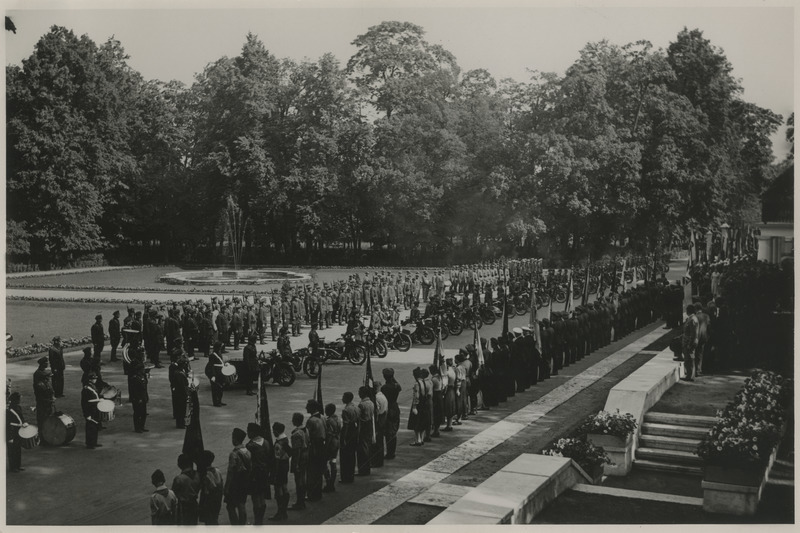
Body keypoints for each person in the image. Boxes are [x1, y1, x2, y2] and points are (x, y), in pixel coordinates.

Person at [224, 427, 251, 525]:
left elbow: (231, 472)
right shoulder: (247, 451)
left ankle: (235, 525)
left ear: (235, 439)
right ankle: (243, 524)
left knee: (230, 506)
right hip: (244, 480)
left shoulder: (234, 454)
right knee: (241, 504)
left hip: (235, 482)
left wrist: (227, 487)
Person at [246, 423, 271, 524]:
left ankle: (257, 521)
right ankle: (260, 520)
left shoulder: (250, 446)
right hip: (264, 473)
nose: (247, 433)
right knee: (261, 496)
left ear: (252, 432)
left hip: (255, 475)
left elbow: (248, 463)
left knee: (255, 498)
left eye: (248, 431)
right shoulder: (266, 442)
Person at [304, 400, 327, 502]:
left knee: (312, 471)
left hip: (314, 446)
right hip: (321, 445)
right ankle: (318, 492)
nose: (306, 408)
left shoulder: (311, 420)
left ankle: (312, 494)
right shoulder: (322, 417)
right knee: (318, 470)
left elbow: (307, 437)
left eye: (308, 406)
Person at [270, 422, 291, 521]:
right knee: (284, 487)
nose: (273, 432)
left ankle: (280, 511)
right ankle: (284, 511)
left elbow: (277, 459)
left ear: (277, 431)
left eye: (273, 430)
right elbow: (290, 452)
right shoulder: (285, 439)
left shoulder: (278, 443)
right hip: (285, 464)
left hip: (279, 466)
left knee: (278, 490)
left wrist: (274, 473)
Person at [173, 453, 201, 525]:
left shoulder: (179, 479)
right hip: (194, 504)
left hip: (184, 507)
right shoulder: (197, 474)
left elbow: (174, 493)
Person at [198, 450, 224, 525]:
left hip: (208, 500)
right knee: (214, 518)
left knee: (209, 520)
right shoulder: (217, 471)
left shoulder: (205, 474)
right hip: (217, 499)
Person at [380, 368, 401, 460]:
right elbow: (399, 387)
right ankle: (392, 451)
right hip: (395, 407)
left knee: (389, 432)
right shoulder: (396, 385)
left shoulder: (385, 388)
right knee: (393, 431)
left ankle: (390, 453)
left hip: (389, 408)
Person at [290, 412, 309, 510]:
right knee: (303, 478)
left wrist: (296, 464)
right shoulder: (305, 429)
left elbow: (297, 450)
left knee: (299, 480)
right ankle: (302, 499)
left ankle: (300, 502)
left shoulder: (296, 434)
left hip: (300, 457)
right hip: (306, 454)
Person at [339, 392, 359, 483]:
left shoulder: (346, 410)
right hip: (354, 431)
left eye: (343, 397)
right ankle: (351, 475)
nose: (342, 398)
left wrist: (343, 439)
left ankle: (345, 477)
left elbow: (346, 426)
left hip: (348, 433)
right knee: (352, 455)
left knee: (345, 457)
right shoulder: (356, 407)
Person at [7, 392, 28, 472]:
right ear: (15, 400)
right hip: (12, 430)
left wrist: (24, 423)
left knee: (18, 448)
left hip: (18, 430)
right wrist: (10, 436)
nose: (20, 400)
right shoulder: (9, 410)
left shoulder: (18, 407)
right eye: (19, 398)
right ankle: (13, 467)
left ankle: (18, 465)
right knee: (12, 450)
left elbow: (21, 417)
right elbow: (9, 423)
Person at [356, 386, 375, 476]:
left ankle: (363, 470)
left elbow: (358, 417)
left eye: (360, 392)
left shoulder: (362, 404)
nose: (359, 394)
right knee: (367, 446)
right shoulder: (371, 402)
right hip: (369, 425)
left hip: (363, 426)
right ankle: (367, 467)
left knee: (362, 449)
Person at [407, 368, 429, 446]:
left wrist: (414, 407)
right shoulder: (424, 382)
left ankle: (418, 440)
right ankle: (421, 439)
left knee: (416, 422)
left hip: (418, 405)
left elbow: (416, 396)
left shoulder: (417, 384)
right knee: (422, 422)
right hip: (424, 404)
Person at [33, 356, 55, 430]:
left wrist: (52, 396)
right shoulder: (38, 374)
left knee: (48, 418)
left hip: (48, 401)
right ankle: (42, 436)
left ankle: (47, 434)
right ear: (42, 364)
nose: (47, 364)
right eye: (46, 363)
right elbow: (41, 391)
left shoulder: (43, 373)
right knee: (42, 419)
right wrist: (49, 399)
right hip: (43, 402)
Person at [81, 373, 102, 449]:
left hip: (94, 409)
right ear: (90, 380)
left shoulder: (92, 386)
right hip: (90, 410)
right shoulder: (86, 389)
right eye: (94, 379)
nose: (95, 380)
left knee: (95, 427)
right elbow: (84, 403)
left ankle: (94, 442)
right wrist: (87, 414)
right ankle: (90, 443)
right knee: (90, 427)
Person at [323, 403, 341, 493]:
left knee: (324, 463)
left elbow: (329, 435)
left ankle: (329, 481)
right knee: (333, 462)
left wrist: (326, 447)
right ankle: (331, 483)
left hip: (331, 443)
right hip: (337, 441)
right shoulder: (337, 419)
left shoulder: (329, 421)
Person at [129, 359, 150, 433]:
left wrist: (146, 397)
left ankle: (142, 426)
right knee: (138, 413)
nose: (144, 370)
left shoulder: (142, 377)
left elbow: (144, 388)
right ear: (139, 370)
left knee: (143, 413)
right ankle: (137, 428)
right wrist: (138, 398)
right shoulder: (135, 378)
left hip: (143, 397)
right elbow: (134, 391)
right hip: (137, 399)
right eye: (142, 369)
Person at [681, 305, 699, 382]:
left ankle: (690, 376)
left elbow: (693, 333)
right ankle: (689, 375)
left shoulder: (692, 319)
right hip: (688, 342)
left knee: (689, 359)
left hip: (689, 342)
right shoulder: (691, 318)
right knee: (688, 358)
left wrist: (689, 344)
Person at [372, 381, 388, 465]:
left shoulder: (376, 398)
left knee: (377, 442)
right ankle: (379, 459)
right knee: (380, 441)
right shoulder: (383, 396)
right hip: (383, 419)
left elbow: (376, 411)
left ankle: (377, 461)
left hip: (378, 420)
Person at [205, 342, 225, 407]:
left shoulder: (219, 353)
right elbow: (211, 366)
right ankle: (215, 402)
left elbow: (220, 362)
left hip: (220, 372)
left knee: (220, 388)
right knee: (215, 389)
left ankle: (219, 401)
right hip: (215, 373)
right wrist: (213, 375)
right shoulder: (212, 355)